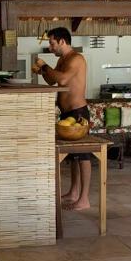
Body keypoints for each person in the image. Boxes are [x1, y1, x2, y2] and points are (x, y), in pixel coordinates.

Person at [32, 27, 91, 210]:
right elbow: (52, 81)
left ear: (62, 41)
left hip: (78, 113)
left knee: (83, 155)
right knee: (73, 156)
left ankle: (84, 199)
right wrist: (42, 71)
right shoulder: (62, 60)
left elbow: (63, 80)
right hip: (66, 114)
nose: (50, 47)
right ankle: (74, 192)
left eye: (52, 43)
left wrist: (44, 66)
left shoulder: (76, 58)